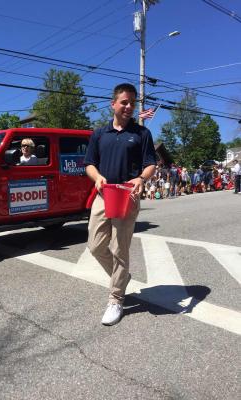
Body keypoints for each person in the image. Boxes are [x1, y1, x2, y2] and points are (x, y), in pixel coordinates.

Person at [84, 83, 156, 326]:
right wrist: (97, 178)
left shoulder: (141, 134)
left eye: (132, 103)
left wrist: (141, 178)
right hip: (103, 195)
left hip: (127, 195)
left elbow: (150, 164)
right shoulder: (99, 134)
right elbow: (89, 164)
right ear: (113, 104)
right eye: (124, 102)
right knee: (95, 246)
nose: (129, 107)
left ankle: (116, 299)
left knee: (120, 248)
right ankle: (122, 277)